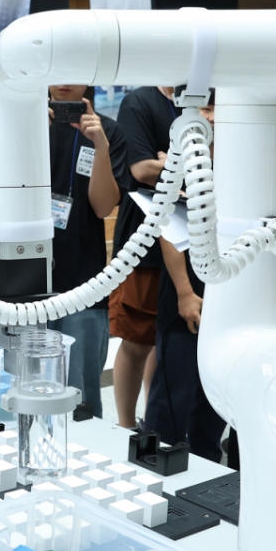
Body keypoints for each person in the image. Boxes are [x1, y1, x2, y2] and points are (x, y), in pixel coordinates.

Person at [144, 95, 226, 462]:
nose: (211, 116)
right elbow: (168, 230)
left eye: (217, 108)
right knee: (172, 397)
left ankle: (209, 474)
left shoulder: (242, 165)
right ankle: (154, 469)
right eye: (204, 108)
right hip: (186, 294)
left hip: (226, 296)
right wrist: (185, 292)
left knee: (214, 402)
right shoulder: (182, 163)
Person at [45, 85, 127, 418]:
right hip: (27, 281)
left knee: (82, 396)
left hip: (84, 283)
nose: (64, 80)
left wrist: (100, 147)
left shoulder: (108, 131)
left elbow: (103, 206)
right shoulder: (26, 124)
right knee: (30, 388)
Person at [110, 85, 180, 429]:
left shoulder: (206, 100)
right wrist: (191, 166)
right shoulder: (140, 102)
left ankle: (156, 422)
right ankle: (125, 426)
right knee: (138, 339)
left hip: (191, 237)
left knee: (167, 341)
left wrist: (170, 164)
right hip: (144, 239)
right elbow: (142, 170)